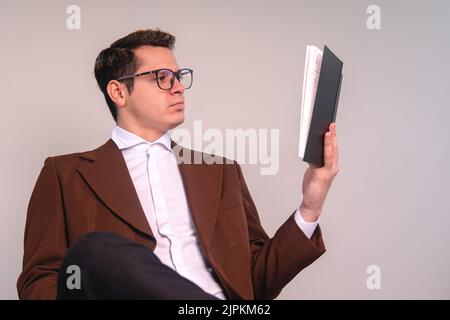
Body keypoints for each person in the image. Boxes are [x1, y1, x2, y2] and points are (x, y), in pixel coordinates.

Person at [17, 28, 339, 300]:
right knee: (93, 250)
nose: (178, 86)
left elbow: (255, 279)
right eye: (162, 78)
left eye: (179, 76)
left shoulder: (220, 170)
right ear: (118, 92)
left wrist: (310, 206)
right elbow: (41, 279)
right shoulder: (65, 174)